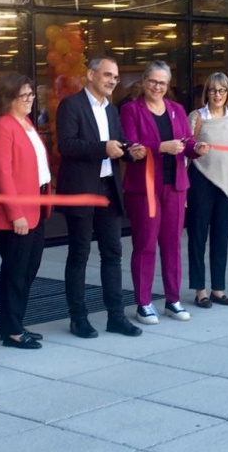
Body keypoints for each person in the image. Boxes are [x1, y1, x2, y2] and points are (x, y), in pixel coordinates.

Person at [56, 55, 145, 338]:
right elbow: (66, 145)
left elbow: (118, 142)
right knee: (79, 253)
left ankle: (115, 317)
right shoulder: (71, 105)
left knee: (113, 253)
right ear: (91, 75)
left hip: (108, 188)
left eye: (116, 77)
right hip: (82, 189)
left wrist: (131, 151)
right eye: (108, 75)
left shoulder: (111, 110)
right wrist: (102, 148)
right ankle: (78, 318)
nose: (113, 81)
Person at [120, 61, 209, 324]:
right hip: (144, 188)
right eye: (153, 81)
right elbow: (131, 145)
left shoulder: (176, 109)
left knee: (172, 245)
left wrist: (197, 148)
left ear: (168, 85)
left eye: (162, 83)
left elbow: (186, 143)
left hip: (175, 186)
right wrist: (161, 147)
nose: (157, 87)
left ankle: (173, 299)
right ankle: (144, 302)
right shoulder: (130, 110)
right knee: (145, 244)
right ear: (144, 82)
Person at [0, 73, 51, 349]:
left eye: (31, 94)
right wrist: (16, 214)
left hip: (36, 207)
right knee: (15, 272)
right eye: (23, 95)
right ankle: (11, 330)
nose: (29, 99)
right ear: (8, 98)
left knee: (29, 269)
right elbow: (2, 174)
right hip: (19, 214)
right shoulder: (3, 127)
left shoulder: (26, 123)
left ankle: (16, 323)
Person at [186, 72, 228, 309]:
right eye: (213, 90)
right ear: (207, 93)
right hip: (200, 182)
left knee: (221, 238)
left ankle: (218, 289)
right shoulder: (196, 117)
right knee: (198, 236)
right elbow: (185, 154)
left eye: (222, 90)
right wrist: (183, 188)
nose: (217, 94)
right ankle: (200, 290)